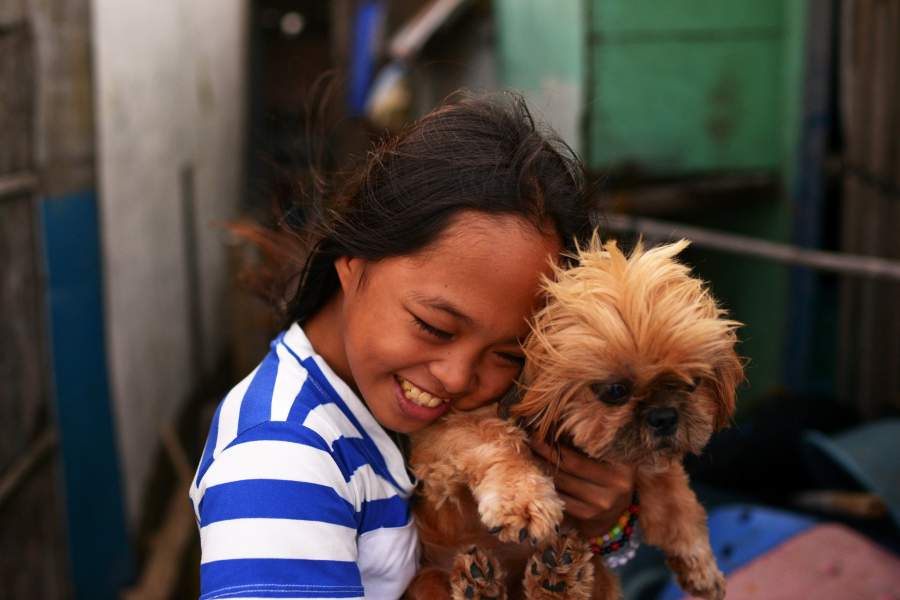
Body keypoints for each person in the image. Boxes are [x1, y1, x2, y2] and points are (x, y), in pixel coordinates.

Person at [190, 93, 635, 600]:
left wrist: (605, 527)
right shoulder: (283, 455)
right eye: (435, 326)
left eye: (510, 355)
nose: (458, 376)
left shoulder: (382, 417)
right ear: (354, 259)